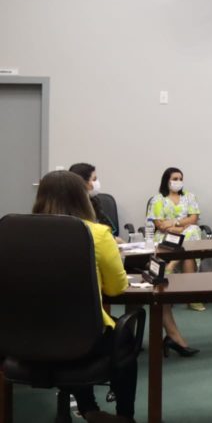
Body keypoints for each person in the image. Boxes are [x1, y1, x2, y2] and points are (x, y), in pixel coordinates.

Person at [32, 171, 136, 423]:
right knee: (123, 336)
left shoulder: (17, 232)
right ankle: (123, 416)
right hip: (84, 339)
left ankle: (88, 407)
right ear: (82, 198)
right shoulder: (97, 234)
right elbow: (116, 288)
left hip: (23, 337)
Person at [147, 167, 201, 356]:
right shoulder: (157, 199)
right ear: (167, 180)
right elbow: (159, 224)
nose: (178, 181)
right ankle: (191, 296)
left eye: (180, 178)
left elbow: (194, 219)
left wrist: (177, 224)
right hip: (165, 237)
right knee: (188, 244)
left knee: (193, 232)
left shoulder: (189, 197)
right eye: (175, 178)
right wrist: (177, 228)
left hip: (183, 233)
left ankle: (171, 266)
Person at [69, 162, 124, 243]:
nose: (97, 182)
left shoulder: (94, 201)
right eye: (94, 179)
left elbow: (109, 229)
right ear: (84, 183)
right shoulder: (71, 206)